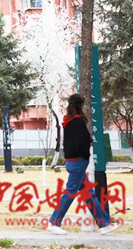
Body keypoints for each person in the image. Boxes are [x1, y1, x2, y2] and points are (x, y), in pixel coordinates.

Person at [46, 94, 120, 235]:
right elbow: (82, 143)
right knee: (70, 192)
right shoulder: (79, 122)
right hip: (79, 162)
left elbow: (71, 142)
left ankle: (104, 224)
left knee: (88, 194)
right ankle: (53, 222)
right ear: (81, 105)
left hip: (71, 161)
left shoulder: (68, 121)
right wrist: (87, 151)